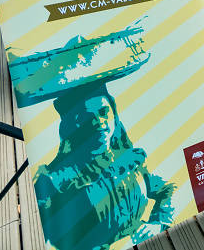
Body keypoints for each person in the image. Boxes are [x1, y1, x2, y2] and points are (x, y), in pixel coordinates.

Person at [34, 83, 175, 250]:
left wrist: (157, 224)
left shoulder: (130, 158)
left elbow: (167, 189)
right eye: (88, 117)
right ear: (74, 125)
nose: (99, 122)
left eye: (103, 113)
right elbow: (59, 240)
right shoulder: (54, 181)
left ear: (114, 115)